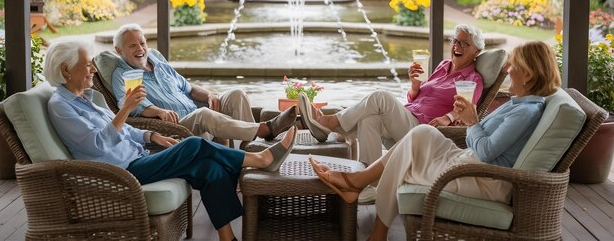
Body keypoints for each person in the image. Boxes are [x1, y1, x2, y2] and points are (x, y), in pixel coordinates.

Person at [44, 40, 297, 241]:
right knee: (193, 144)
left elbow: (124, 131)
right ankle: (259, 159)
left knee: (208, 169)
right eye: (87, 65)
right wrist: (125, 110)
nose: (93, 69)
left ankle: (227, 238)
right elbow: (97, 144)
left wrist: (151, 135)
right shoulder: (61, 106)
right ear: (66, 70)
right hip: (119, 172)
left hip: (137, 158)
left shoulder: (89, 98)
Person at [309, 41, 560, 240]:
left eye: (514, 66)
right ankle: (360, 187)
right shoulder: (521, 104)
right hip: (468, 160)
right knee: (419, 135)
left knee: (408, 146)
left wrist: (471, 121)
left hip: (482, 178)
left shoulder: (524, 112)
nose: (507, 70)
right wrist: (417, 88)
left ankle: (368, 209)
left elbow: (486, 152)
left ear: (527, 76)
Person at [298, 24, 485, 165]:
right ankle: (369, 180)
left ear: (476, 51)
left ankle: (332, 123)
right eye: (455, 40)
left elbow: (469, 107)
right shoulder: (443, 66)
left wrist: (447, 117)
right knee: (369, 120)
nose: (457, 46)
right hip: (407, 116)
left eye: (464, 43)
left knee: (381, 97)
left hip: (422, 128)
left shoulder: (472, 79)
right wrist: (415, 85)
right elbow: (415, 98)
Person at [110, 23, 296, 144]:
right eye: (132, 45)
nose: (140, 49)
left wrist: (209, 95)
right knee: (204, 114)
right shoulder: (123, 75)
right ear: (119, 50)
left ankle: (251, 150)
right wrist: (158, 111)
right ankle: (265, 130)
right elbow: (132, 107)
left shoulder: (158, 63)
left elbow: (188, 88)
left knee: (236, 94)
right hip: (177, 126)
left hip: (195, 111)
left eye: (142, 43)